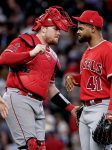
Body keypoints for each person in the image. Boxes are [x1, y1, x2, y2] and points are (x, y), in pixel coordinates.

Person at [0, 6, 78, 150]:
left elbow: (51, 88)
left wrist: (71, 108)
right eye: (55, 29)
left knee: (40, 148)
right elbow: (3, 58)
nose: (58, 33)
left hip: (38, 105)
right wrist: (30, 53)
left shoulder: (53, 57)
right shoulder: (26, 40)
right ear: (43, 29)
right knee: (31, 147)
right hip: (19, 98)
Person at [65, 10, 112, 150]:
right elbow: (89, 78)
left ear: (92, 28)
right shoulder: (87, 52)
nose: (77, 31)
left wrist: (111, 111)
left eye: (81, 27)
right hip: (86, 109)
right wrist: (73, 78)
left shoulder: (108, 49)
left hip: (103, 107)